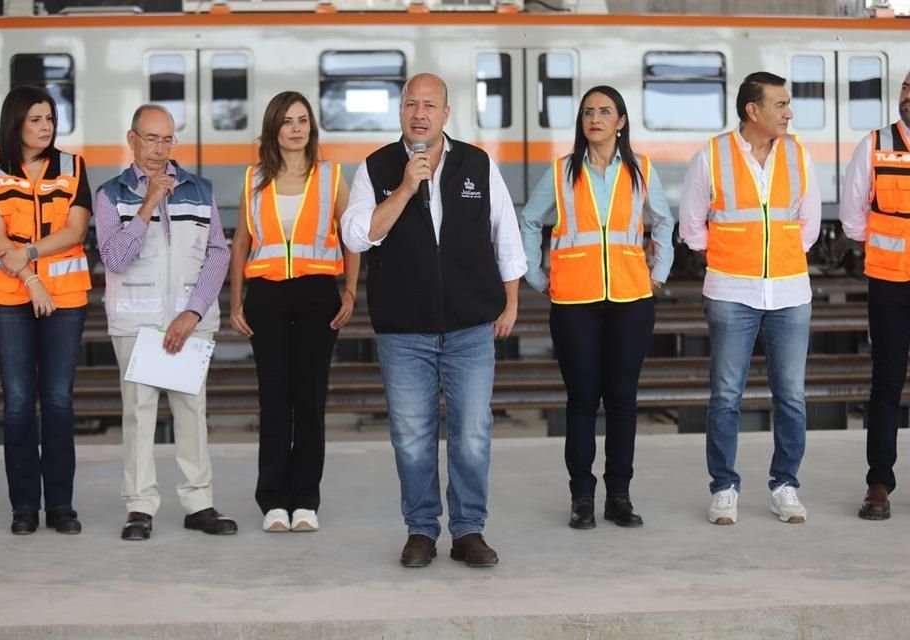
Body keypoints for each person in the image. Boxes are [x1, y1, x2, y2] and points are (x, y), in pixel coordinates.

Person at [342, 73, 526, 568]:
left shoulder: (477, 164)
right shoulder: (376, 167)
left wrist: (510, 303)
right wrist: (404, 187)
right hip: (404, 330)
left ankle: (468, 530)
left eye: (429, 105)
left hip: (470, 327)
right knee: (412, 435)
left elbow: (504, 235)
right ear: (399, 111)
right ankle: (421, 530)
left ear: (447, 114)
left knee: (471, 432)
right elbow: (359, 236)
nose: (419, 113)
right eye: (410, 104)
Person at [519, 86, 674, 531]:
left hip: (631, 299)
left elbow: (664, 221)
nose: (596, 118)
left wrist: (658, 272)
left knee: (623, 400)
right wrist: (536, 276)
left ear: (621, 121)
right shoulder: (563, 171)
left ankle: (619, 497)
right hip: (574, 302)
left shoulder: (641, 170)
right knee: (582, 400)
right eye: (589, 112)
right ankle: (582, 498)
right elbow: (529, 220)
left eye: (605, 111)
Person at [679, 71, 821, 526]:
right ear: (752, 110)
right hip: (730, 292)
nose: (789, 112)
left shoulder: (798, 154)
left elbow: (810, 227)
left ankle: (785, 485)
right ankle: (724, 487)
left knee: (792, 398)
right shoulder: (713, 156)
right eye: (780, 104)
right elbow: (691, 227)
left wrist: (776, 259)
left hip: (790, 291)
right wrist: (730, 256)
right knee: (725, 396)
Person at [95, 104, 236, 541]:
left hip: (187, 325)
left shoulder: (199, 189)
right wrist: (148, 205)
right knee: (138, 415)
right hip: (138, 325)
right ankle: (139, 507)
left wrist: (192, 312)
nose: (160, 148)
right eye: (151, 138)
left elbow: (218, 252)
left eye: (167, 139)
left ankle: (199, 503)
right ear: (131, 139)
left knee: (192, 412)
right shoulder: (110, 194)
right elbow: (114, 257)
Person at [229, 91, 359, 533]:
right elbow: (242, 244)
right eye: (287, 121)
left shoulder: (331, 176)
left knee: (309, 401)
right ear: (273, 128)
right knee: (274, 401)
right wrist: (235, 301)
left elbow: (352, 237)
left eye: (303, 120)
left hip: (318, 295)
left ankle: (305, 500)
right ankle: (273, 502)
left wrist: (350, 292)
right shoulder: (253, 179)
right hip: (266, 297)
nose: (296, 128)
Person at [0, 85, 92, 535]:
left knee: (59, 401)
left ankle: (61, 506)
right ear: (16, 123)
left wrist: (34, 255)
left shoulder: (73, 167)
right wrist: (31, 278)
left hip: (65, 299)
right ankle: (24, 507)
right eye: (36, 120)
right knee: (19, 403)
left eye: (49, 119)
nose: (45, 127)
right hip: (9, 299)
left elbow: (75, 230)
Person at [841, 70, 910, 521]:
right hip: (889, 283)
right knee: (886, 382)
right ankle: (879, 484)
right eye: (907, 87)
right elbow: (851, 218)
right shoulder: (875, 144)